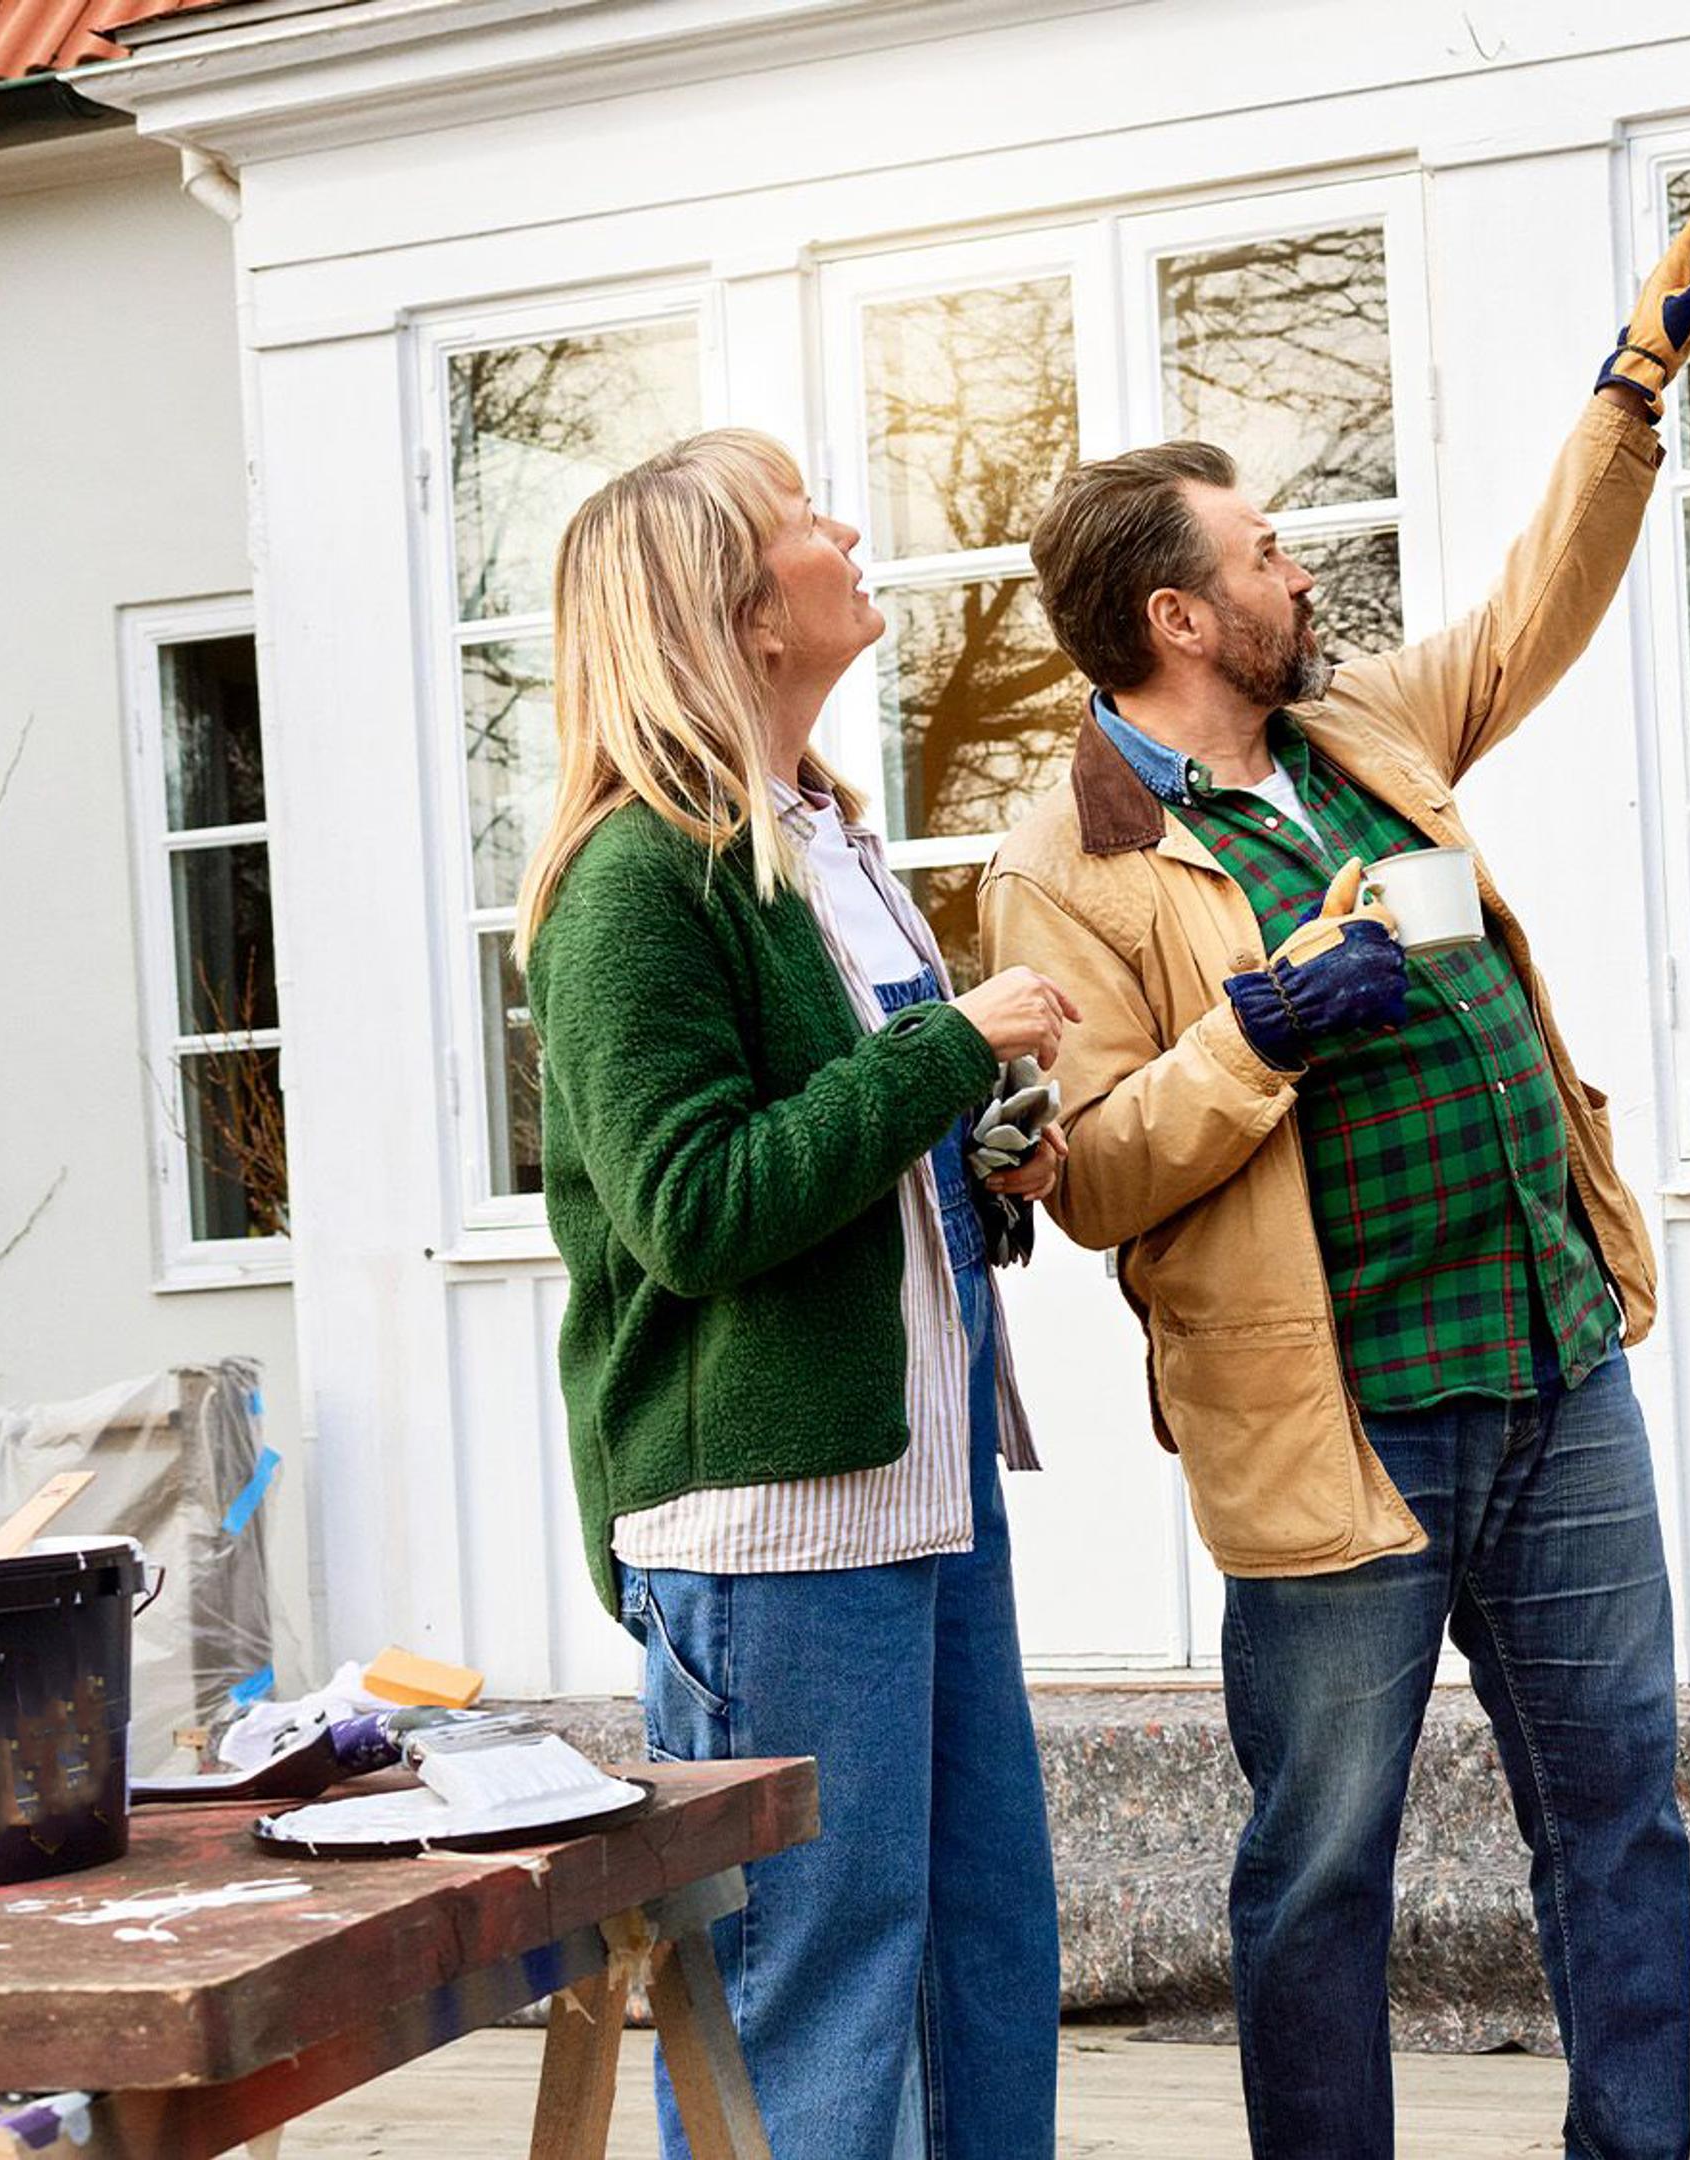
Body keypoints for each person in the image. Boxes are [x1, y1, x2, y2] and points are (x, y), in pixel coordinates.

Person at [977, 207, 1690, 2158]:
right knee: (1321, 1871)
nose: (1294, 574)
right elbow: (1090, 1183)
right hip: (1343, 1431)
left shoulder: (1360, 729)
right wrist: (1264, 1027)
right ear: (1175, 617)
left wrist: (1632, 387)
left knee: (1621, 1818)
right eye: (1262, 557)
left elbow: (1529, 612)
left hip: (1553, 1358)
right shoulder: (1059, 866)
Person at [519, 426, 1080, 2159]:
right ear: (738, 613)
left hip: (919, 1488)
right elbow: (693, 1208)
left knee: (983, 1957)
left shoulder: (819, 840)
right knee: (811, 1997)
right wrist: (942, 1054)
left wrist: (986, 1163)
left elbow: (861, 1151)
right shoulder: (632, 884)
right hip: (772, 1528)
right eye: (801, 520)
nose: (848, 533)